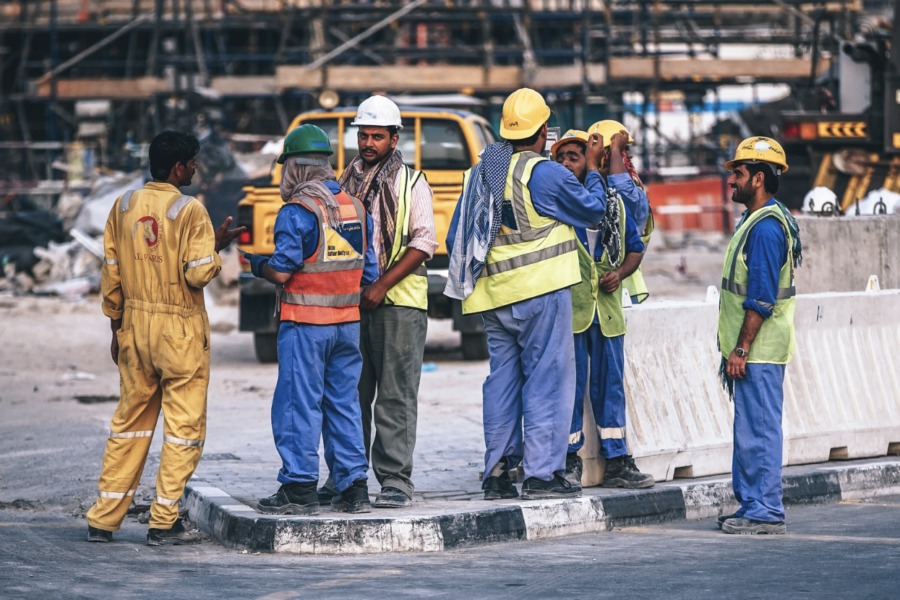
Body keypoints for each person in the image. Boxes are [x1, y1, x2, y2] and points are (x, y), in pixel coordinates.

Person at [445, 89, 607, 501]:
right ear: (543, 132)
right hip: (541, 292)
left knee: (502, 382)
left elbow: (457, 237)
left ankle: (498, 473)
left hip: (493, 298)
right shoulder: (545, 173)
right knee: (548, 381)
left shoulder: (482, 172)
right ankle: (541, 474)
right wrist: (590, 167)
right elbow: (592, 211)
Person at [86, 130, 245, 545]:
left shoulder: (122, 205)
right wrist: (216, 247)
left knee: (129, 426)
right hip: (178, 331)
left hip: (135, 326)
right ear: (178, 167)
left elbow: (112, 273)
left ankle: (103, 519)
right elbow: (196, 273)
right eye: (192, 162)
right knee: (182, 430)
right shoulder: (189, 210)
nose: (195, 168)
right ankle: (163, 522)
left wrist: (116, 328)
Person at [242, 124, 378, 515]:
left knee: (298, 404)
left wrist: (259, 267)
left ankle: (299, 487)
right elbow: (367, 273)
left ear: (297, 168)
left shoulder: (297, 211)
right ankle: (354, 488)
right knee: (343, 404)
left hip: (305, 324)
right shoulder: (355, 207)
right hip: (347, 325)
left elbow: (283, 272)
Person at [319, 96, 437, 509]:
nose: (368, 143)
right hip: (349, 304)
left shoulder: (412, 182)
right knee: (348, 394)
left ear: (394, 138)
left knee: (394, 395)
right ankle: (346, 477)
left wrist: (381, 285)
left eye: (377, 136)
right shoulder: (342, 184)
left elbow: (424, 242)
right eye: (363, 134)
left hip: (398, 304)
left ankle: (394, 481)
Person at [552, 128, 655, 489]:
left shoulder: (615, 205)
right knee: (570, 387)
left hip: (608, 313)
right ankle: (567, 460)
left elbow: (635, 246)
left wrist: (621, 273)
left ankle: (617, 460)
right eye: (560, 158)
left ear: (587, 162)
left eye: (574, 157)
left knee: (610, 386)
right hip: (573, 312)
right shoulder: (558, 205)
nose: (566, 164)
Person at [717, 136, 798, 535]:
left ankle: (765, 510)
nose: (731, 179)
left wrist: (741, 348)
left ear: (759, 178)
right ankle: (752, 505)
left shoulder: (766, 229)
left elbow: (761, 298)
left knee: (761, 431)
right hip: (757, 350)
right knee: (750, 431)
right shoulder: (759, 221)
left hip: (759, 350)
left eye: (739, 173)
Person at [591, 121, 653, 305]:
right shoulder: (590, 197)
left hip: (625, 289)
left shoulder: (636, 197)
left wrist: (615, 151)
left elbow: (621, 189)